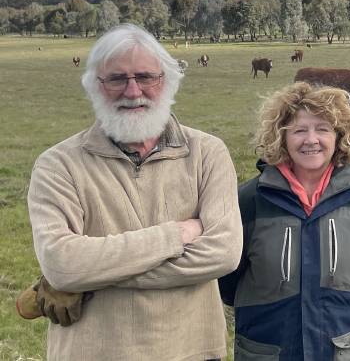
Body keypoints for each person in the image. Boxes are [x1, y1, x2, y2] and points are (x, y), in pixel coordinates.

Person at [25, 23, 242, 360]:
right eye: (116, 79)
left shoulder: (207, 153)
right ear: (95, 86)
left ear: (167, 82)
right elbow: (62, 264)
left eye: (145, 77)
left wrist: (91, 275)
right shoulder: (58, 164)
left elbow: (224, 254)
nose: (132, 91)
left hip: (191, 350)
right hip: (94, 352)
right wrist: (178, 234)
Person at [219, 82, 350, 360]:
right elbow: (228, 276)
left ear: (339, 135)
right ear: (281, 137)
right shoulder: (249, 201)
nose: (311, 140)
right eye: (299, 130)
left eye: (322, 129)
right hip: (271, 347)